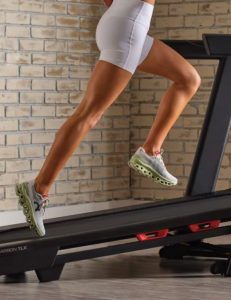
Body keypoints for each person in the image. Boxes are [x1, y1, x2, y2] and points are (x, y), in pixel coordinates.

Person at [15, 0, 201, 237]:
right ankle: (39, 189)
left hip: (126, 22)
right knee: (89, 114)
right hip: (128, 28)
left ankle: (150, 151)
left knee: (188, 79)